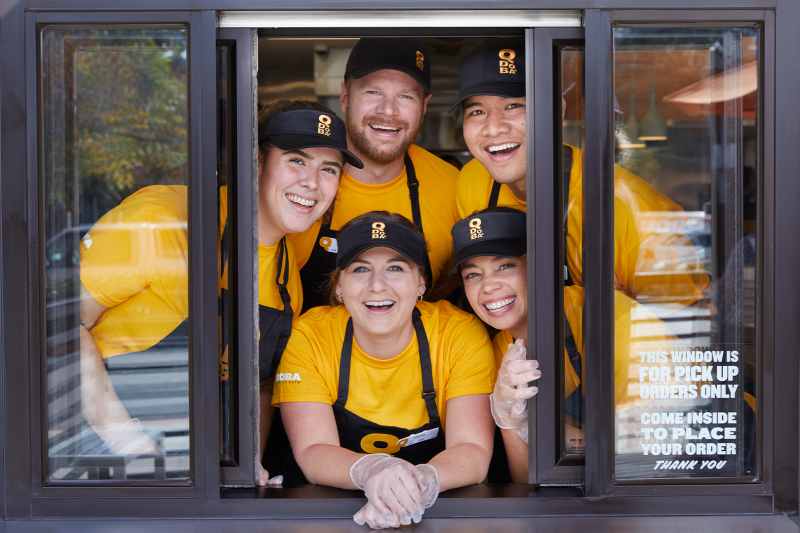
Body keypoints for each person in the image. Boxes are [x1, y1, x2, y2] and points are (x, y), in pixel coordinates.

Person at [78, 100, 362, 484]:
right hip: (94, 458)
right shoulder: (160, 220)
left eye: (329, 169)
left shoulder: (286, 276)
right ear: (256, 161)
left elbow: (259, 385)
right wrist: (130, 445)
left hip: (194, 472)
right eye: (296, 160)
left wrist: (246, 466)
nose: (312, 182)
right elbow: (58, 329)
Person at [274, 211, 495, 528]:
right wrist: (372, 471)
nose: (377, 285)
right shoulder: (309, 336)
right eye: (361, 269)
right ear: (338, 286)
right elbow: (312, 450)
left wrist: (423, 481)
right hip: (322, 514)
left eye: (395, 268)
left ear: (421, 283)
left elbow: (472, 450)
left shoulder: (458, 333)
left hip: (428, 514)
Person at [451, 38, 709, 307]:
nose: (493, 128)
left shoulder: (630, 214)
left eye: (514, 105)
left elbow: (688, 326)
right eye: (477, 111)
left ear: (557, 112)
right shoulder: (471, 181)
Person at [449, 207, 684, 482]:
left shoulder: (615, 323)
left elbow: (644, 463)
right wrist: (509, 420)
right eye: (472, 274)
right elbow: (528, 481)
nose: (488, 286)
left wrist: (548, 430)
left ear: (540, 266)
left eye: (505, 265)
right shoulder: (502, 346)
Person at [289, 38, 461, 311]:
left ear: (425, 106)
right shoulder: (296, 184)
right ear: (345, 96)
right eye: (373, 92)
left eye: (406, 96)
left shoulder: (454, 188)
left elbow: (455, 280)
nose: (388, 111)